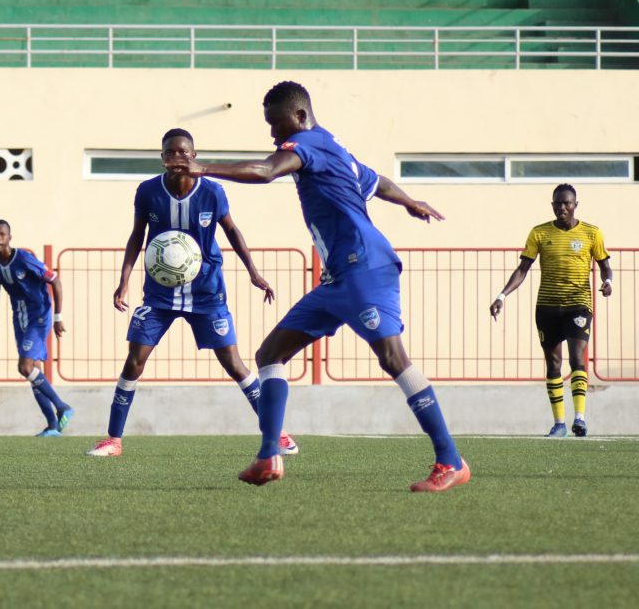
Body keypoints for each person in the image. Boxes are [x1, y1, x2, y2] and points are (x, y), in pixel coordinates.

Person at [170, 81, 470, 492]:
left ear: (298, 116)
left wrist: (204, 168)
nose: (274, 136)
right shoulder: (333, 148)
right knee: (270, 353)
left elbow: (266, 170)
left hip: (365, 266)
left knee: (392, 356)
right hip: (337, 279)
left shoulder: (307, 144)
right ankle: (268, 456)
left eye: (276, 126)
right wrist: (409, 201)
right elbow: (376, 180)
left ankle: (450, 460)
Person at [87, 128, 300, 458]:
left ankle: (279, 434)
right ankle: (114, 439)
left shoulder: (212, 192)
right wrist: (124, 280)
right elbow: (136, 237)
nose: (177, 159)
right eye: (170, 153)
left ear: (194, 156)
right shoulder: (147, 192)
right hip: (159, 294)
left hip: (206, 291)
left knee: (233, 363)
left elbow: (232, 231)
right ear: (162, 159)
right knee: (135, 360)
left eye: (183, 153)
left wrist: (254, 272)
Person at [490, 184, 611, 438]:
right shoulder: (540, 233)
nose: (562, 208)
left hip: (578, 303)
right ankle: (559, 424)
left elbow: (604, 265)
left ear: (576, 205)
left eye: (567, 203)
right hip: (547, 306)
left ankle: (579, 419)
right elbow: (523, 269)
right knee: (553, 363)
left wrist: (607, 281)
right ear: (553, 205)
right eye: (558, 203)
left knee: (577, 357)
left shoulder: (592, 233)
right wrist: (502, 295)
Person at [0, 219, 74, 436]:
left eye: (1, 234)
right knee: (33, 370)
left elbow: (55, 280)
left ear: (9, 237)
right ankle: (53, 425)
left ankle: (62, 406)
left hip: (39, 316)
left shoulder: (25, 259)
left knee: (25, 367)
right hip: (20, 317)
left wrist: (58, 317)